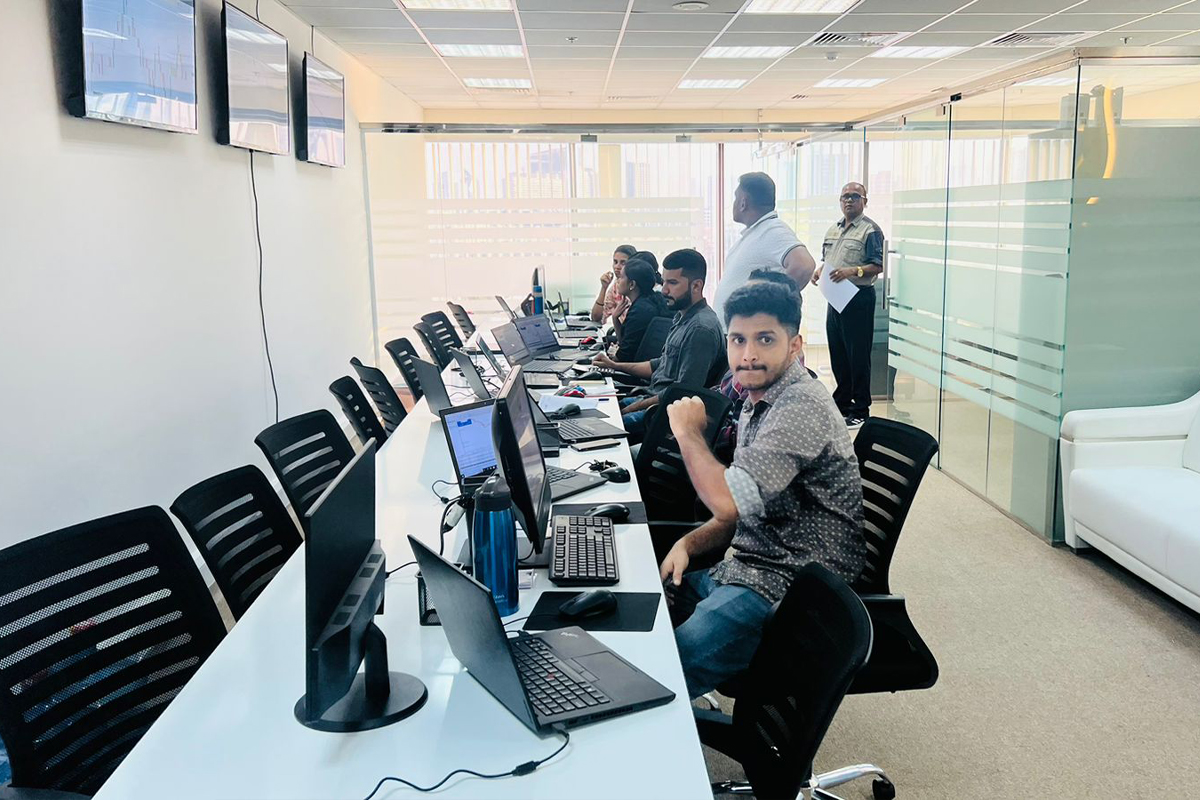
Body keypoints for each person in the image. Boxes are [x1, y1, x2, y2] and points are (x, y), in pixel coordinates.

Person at [658, 280, 865, 699]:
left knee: (660, 674)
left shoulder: (800, 406)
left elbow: (728, 502)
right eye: (738, 340)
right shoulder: (760, 398)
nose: (748, 354)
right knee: (642, 609)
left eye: (765, 339)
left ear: (795, 345)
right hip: (749, 565)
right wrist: (688, 543)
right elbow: (745, 505)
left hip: (792, 587)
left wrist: (687, 433)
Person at [592, 249, 724, 440]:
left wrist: (634, 407)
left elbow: (683, 392)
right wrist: (614, 365)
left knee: (598, 430)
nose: (664, 290)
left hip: (662, 414)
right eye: (665, 281)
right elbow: (659, 365)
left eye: (673, 283)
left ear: (696, 285)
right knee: (594, 412)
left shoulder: (701, 329)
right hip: (650, 397)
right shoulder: (682, 317)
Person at [811, 182, 884, 428]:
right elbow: (829, 260)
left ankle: (861, 409)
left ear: (865, 201)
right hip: (835, 296)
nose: (849, 200)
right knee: (839, 353)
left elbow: (878, 265)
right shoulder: (834, 229)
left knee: (858, 356)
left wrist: (854, 270)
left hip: (858, 297)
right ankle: (842, 404)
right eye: (845, 197)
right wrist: (819, 271)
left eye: (854, 196)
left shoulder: (870, 230)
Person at [713, 172, 816, 327]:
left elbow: (804, 266)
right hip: (733, 332)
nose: (733, 204)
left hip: (748, 333)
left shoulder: (773, 230)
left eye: (735, 198)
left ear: (743, 202)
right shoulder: (757, 231)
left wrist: (771, 306)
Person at [611, 257, 671, 363]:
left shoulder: (640, 311)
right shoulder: (650, 300)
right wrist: (615, 318)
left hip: (635, 370)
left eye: (621, 277)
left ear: (632, 284)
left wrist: (605, 362)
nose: (617, 281)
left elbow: (623, 357)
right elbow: (625, 345)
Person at [591, 244, 637, 324]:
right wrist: (604, 288)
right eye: (615, 262)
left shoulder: (636, 287)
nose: (617, 267)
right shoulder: (616, 286)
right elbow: (596, 318)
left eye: (623, 263)